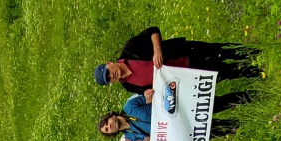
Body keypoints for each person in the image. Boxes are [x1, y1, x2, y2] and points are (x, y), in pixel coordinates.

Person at [93, 26, 262, 94]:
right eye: (109, 79)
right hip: (187, 74)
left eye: (108, 72)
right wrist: (150, 95)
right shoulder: (129, 86)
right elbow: (158, 90)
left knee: (221, 51)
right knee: (223, 72)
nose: (112, 75)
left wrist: (157, 50)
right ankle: (256, 72)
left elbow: (153, 31)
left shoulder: (130, 49)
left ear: (109, 63)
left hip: (184, 51)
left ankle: (257, 53)